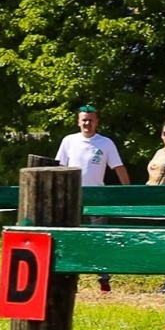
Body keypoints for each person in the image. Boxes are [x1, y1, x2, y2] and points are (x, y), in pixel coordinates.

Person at [55, 103, 129, 291]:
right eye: (84, 120)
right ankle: (69, 277)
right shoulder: (69, 141)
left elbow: (118, 167)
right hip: (73, 197)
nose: (87, 123)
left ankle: (103, 278)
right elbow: (59, 167)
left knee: (99, 236)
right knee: (71, 237)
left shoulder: (105, 143)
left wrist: (129, 191)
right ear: (78, 122)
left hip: (98, 198)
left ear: (96, 122)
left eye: (90, 120)